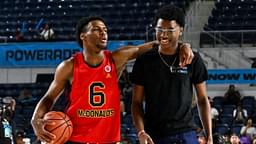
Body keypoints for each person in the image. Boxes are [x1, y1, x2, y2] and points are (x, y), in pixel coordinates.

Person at [31, 16, 194, 144]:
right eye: (96, 30)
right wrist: (35, 119)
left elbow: (155, 45)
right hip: (76, 139)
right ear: (83, 36)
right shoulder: (68, 66)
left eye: (105, 30)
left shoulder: (116, 59)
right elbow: (49, 98)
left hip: (108, 140)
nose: (103, 33)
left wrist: (182, 44)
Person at [131, 4, 212, 144]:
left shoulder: (193, 59)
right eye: (160, 29)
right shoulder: (144, 60)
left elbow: (203, 99)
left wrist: (209, 134)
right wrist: (141, 131)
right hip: (154, 135)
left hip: (186, 134)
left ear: (181, 30)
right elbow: (136, 102)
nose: (163, 34)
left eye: (170, 30)